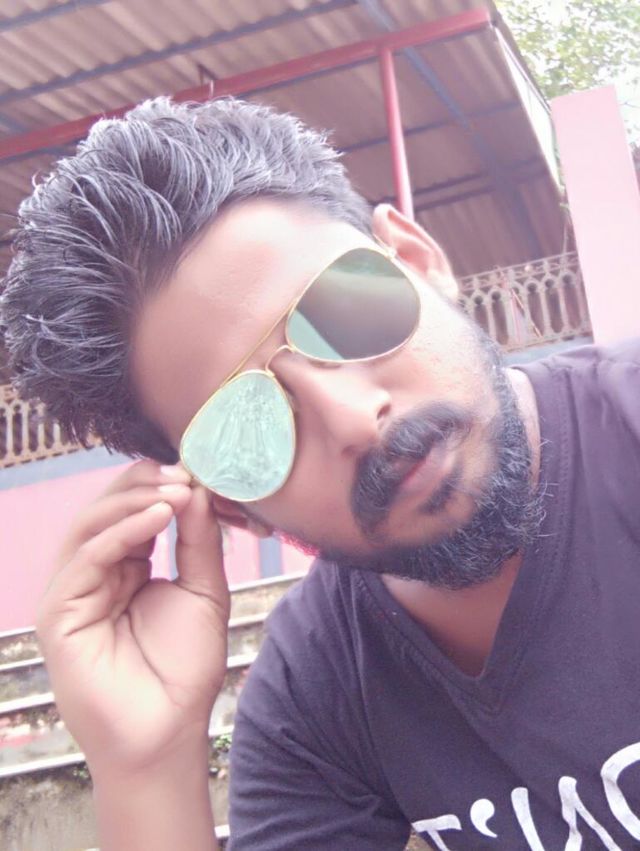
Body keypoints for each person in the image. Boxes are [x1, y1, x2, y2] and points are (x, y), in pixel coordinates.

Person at [1, 96, 638, 851]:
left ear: (417, 261)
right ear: (231, 507)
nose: (352, 420)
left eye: (345, 308)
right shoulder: (315, 695)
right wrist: (146, 768)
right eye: (247, 425)